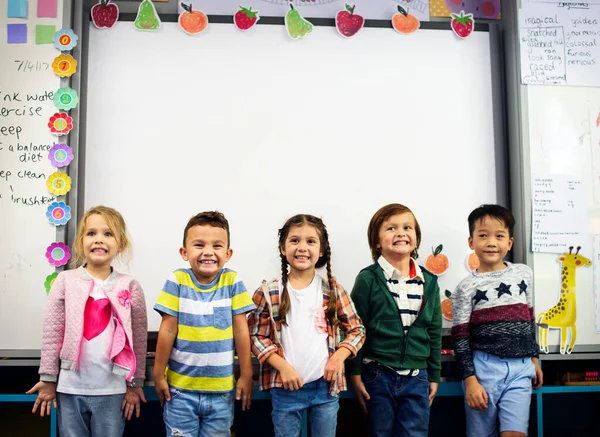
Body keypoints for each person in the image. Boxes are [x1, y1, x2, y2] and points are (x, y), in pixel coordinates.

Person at [28, 206, 148, 437]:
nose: (98, 240)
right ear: (80, 242)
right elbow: (53, 332)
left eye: (108, 234)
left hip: (113, 390)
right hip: (70, 388)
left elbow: (139, 339)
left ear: (120, 244)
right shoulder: (65, 281)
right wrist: (47, 378)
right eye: (91, 233)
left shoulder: (130, 285)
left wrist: (135, 384)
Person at [248, 214, 364, 437]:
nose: (302, 247)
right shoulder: (269, 291)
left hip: (326, 387)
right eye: (294, 240)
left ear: (321, 251)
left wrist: (338, 358)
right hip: (285, 386)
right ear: (283, 248)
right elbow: (255, 336)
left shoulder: (333, 290)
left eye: (311, 241)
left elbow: (357, 330)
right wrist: (283, 367)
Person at [153, 211, 255, 437]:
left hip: (221, 392)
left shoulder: (232, 281)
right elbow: (168, 329)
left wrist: (246, 375)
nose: (208, 252)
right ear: (184, 252)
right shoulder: (177, 280)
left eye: (217, 246)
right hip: (180, 392)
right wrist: (158, 374)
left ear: (228, 254)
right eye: (199, 245)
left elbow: (241, 330)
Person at [349, 203, 442, 437]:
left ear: (416, 239)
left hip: (417, 377)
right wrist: (356, 373)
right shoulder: (368, 279)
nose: (401, 233)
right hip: (377, 374)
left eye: (407, 227)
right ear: (377, 242)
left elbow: (433, 331)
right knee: (379, 432)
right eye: (391, 228)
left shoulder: (428, 281)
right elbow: (355, 329)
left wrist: (433, 374)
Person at [452, 204, 543, 437]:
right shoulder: (465, 288)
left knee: (515, 433)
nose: (491, 242)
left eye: (499, 236)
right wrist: (470, 380)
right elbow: (460, 337)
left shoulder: (524, 274)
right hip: (484, 369)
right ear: (471, 242)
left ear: (509, 243)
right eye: (483, 235)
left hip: (521, 367)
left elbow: (529, 318)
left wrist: (534, 357)